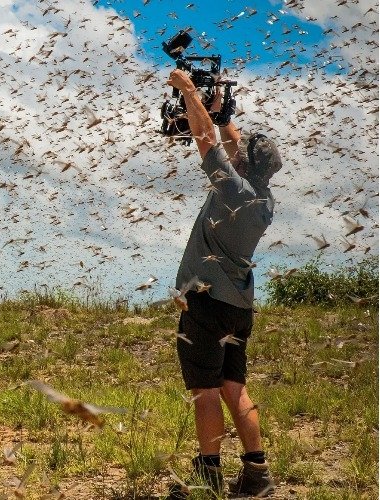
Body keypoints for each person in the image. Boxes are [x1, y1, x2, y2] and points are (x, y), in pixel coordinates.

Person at [165, 68, 281, 499]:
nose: (236, 149)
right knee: (236, 388)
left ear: (242, 165)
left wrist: (191, 94)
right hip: (239, 307)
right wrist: (219, 109)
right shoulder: (263, 198)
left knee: (206, 392)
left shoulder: (231, 188)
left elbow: (205, 141)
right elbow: (230, 144)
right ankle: (257, 475)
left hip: (206, 304)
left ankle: (208, 475)